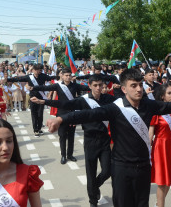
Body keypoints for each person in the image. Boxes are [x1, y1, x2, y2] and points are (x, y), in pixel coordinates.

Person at [46, 68, 171, 207]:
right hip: (121, 167)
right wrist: (61, 118)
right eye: (133, 85)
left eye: (140, 85)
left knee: (142, 203)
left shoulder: (148, 105)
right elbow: (87, 114)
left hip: (144, 166)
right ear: (123, 89)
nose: (138, 89)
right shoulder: (115, 108)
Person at [31, 74, 115, 206]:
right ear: (90, 86)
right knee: (91, 173)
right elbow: (65, 104)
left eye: (100, 85)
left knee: (107, 171)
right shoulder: (83, 100)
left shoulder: (109, 99)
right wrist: (44, 102)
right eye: (95, 85)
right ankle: (93, 200)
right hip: (90, 140)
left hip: (105, 139)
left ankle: (95, 187)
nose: (98, 88)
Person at [30, 68, 90, 160]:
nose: (68, 77)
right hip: (61, 114)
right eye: (66, 75)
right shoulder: (58, 86)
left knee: (71, 136)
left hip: (72, 114)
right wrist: (33, 87)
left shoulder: (75, 86)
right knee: (62, 135)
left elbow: (87, 88)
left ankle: (70, 155)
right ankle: (63, 155)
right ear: (62, 76)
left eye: (70, 75)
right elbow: (45, 88)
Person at [7, 63, 57, 135]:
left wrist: (59, 76)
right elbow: (19, 79)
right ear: (33, 70)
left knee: (40, 114)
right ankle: (35, 130)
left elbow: (51, 78)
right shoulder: (29, 77)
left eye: (40, 70)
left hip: (41, 98)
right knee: (34, 114)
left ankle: (39, 128)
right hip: (32, 98)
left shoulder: (43, 76)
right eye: (37, 70)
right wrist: (8, 79)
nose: (39, 72)